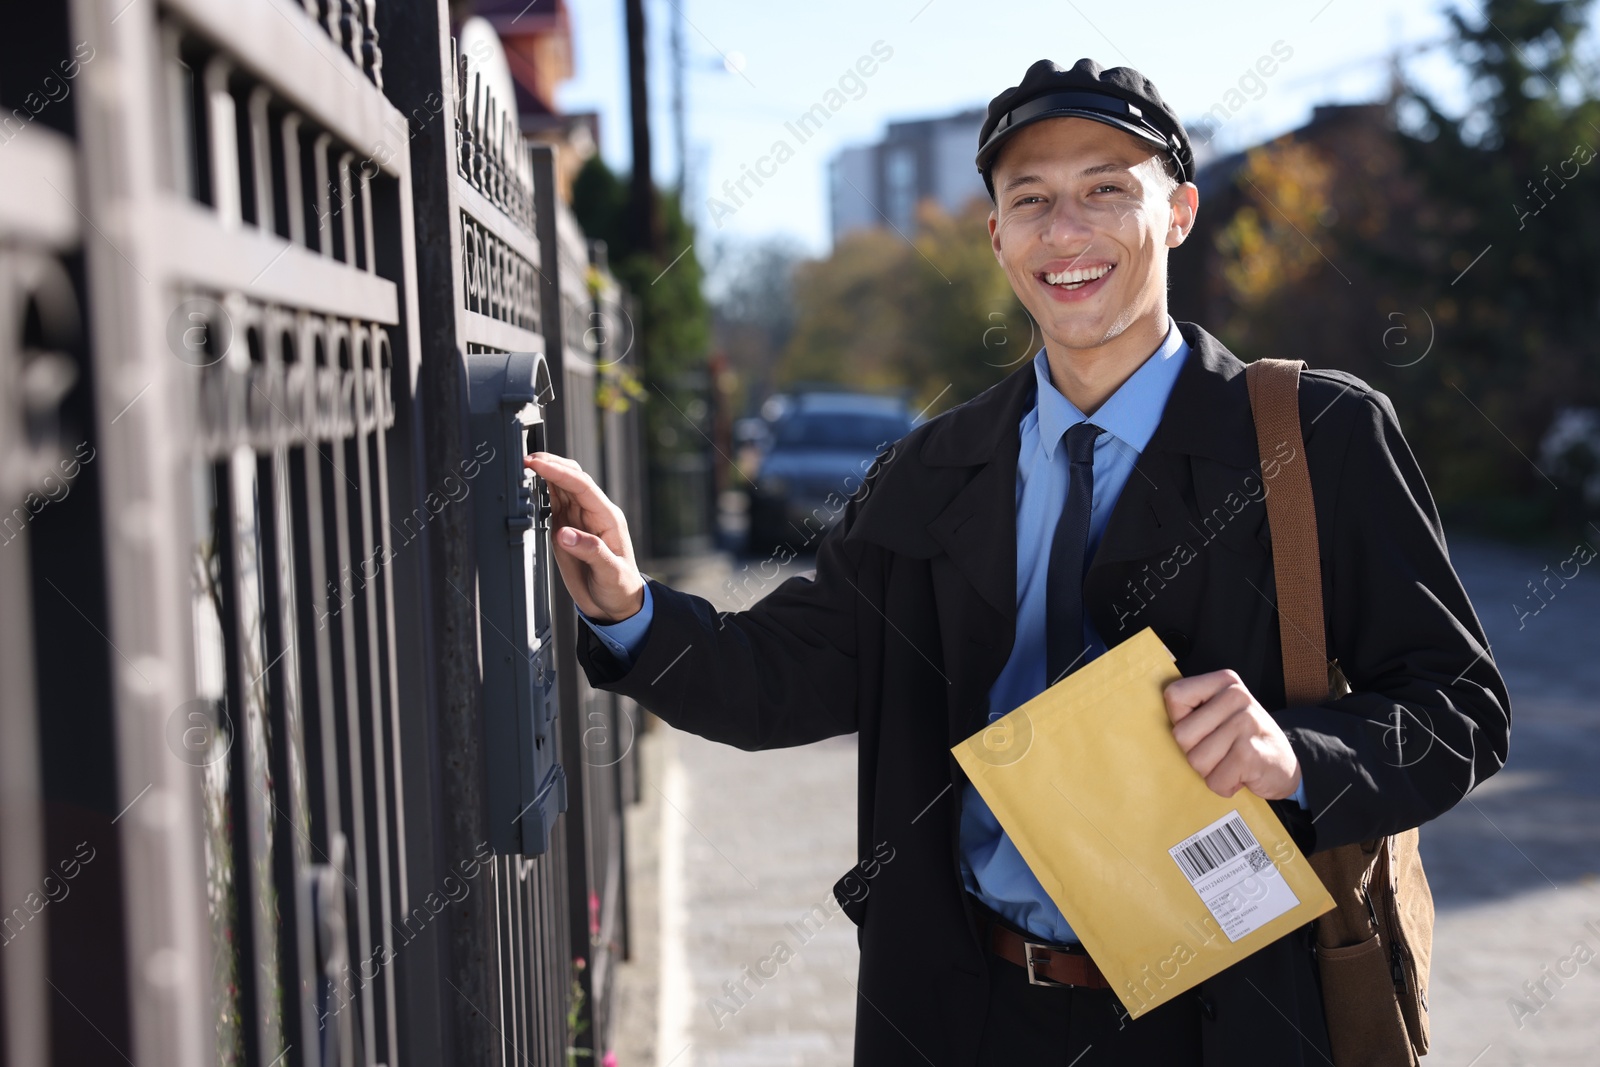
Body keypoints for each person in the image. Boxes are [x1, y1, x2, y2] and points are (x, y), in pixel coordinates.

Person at [524, 58, 1510, 1067]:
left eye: (1104, 191)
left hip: (1225, 1017)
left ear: (1177, 211)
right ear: (996, 236)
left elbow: (1459, 708)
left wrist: (1296, 751)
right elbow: (784, 675)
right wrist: (631, 608)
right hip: (971, 1010)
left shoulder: (1316, 435)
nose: (1064, 231)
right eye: (1030, 200)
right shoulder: (928, 469)